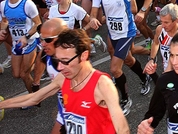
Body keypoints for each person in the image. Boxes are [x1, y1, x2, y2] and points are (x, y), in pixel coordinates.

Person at [0, 29, 130, 134]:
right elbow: (34, 98)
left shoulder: (102, 84)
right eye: (58, 60)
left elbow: (122, 129)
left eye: (65, 61)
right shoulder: (63, 78)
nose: (60, 67)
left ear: (83, 55)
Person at [88, 0, 153, 114]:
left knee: (115, 69)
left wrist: (142, 12)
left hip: (126, 32)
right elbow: (93, 12)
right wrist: (92, 19)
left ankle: (125, 100)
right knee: (129, 60)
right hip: (113, 32)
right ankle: (145, 78)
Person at [0, 0, 41, 95]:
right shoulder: (3, 4)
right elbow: (4, 20)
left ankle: (33, 97)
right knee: (16, 74)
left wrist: (26, 37)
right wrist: (2, 30)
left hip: (30, 41)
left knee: (24, 74)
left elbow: (38, 23)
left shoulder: (27, 4)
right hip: (16, 43)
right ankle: (36, 61)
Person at [144, 3, 178, 83]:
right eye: (162, 22)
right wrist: (151, 59)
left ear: (176, 20)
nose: (163, 25)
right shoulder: (160, 29)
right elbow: (156, 43)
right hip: (166, 70)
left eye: (166, 22)